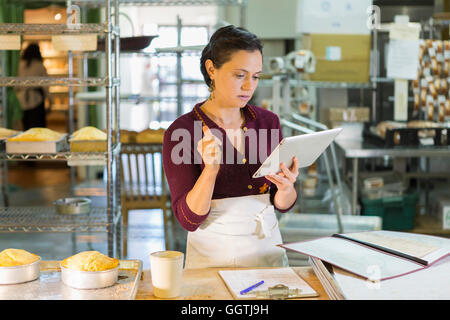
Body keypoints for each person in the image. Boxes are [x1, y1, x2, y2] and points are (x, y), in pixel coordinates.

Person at [162, 25, 299, 269]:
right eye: (240, 75)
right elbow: (188, 219)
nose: (249, 86)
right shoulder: (182, 132)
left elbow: (281, 204)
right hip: (214, 260)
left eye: (255, 76)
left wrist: (287, 189)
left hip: (269, 254)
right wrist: (210, 171)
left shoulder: (268, 122)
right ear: (211, 69)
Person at [15, 43, 51, 131]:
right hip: (36, 99)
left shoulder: (19, 65)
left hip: (22, 99)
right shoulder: (39, 65)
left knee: (26, 127)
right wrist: (50, 100)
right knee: (38, 128)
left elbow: (15, 85)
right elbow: (46, 84)